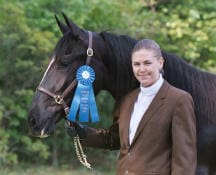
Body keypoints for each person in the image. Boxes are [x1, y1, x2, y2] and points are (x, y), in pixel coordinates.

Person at [66, 39, 197, 175]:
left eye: (147, 63)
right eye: (137, 64)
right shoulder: (126, 100)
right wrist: (84, 133)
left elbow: (184, 159)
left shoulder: (179, 99)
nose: (141, 69)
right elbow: (114, 139)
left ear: (160, 63)